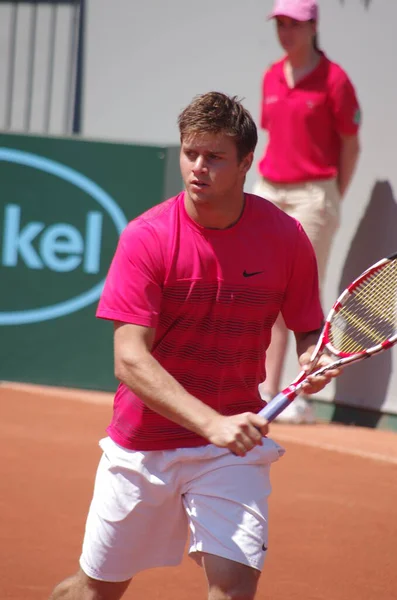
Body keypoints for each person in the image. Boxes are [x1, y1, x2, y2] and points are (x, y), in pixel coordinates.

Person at [48, 91, 340, 600]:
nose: (197, 168)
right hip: (144, 445)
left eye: (214, 157)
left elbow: (307, 327)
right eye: (190, 153)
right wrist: (212, 423)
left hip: (230, 450)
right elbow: (129, 358)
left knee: (231, 591)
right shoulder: (147, 238)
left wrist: (314, 355)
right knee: (95, 592)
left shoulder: (286, 237)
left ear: (247, 162)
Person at [254, 0, 361, 424]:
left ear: (313, 26)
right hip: (268, 188)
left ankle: (296, 393)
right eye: (280, 24)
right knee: (264, 291)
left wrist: (331, 193)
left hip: (313, 195)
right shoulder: (270, 76)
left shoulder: (335, 80)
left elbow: (351, 145)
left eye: (294, 24)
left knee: (298, 295)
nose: (286, 32)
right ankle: (264, 390)